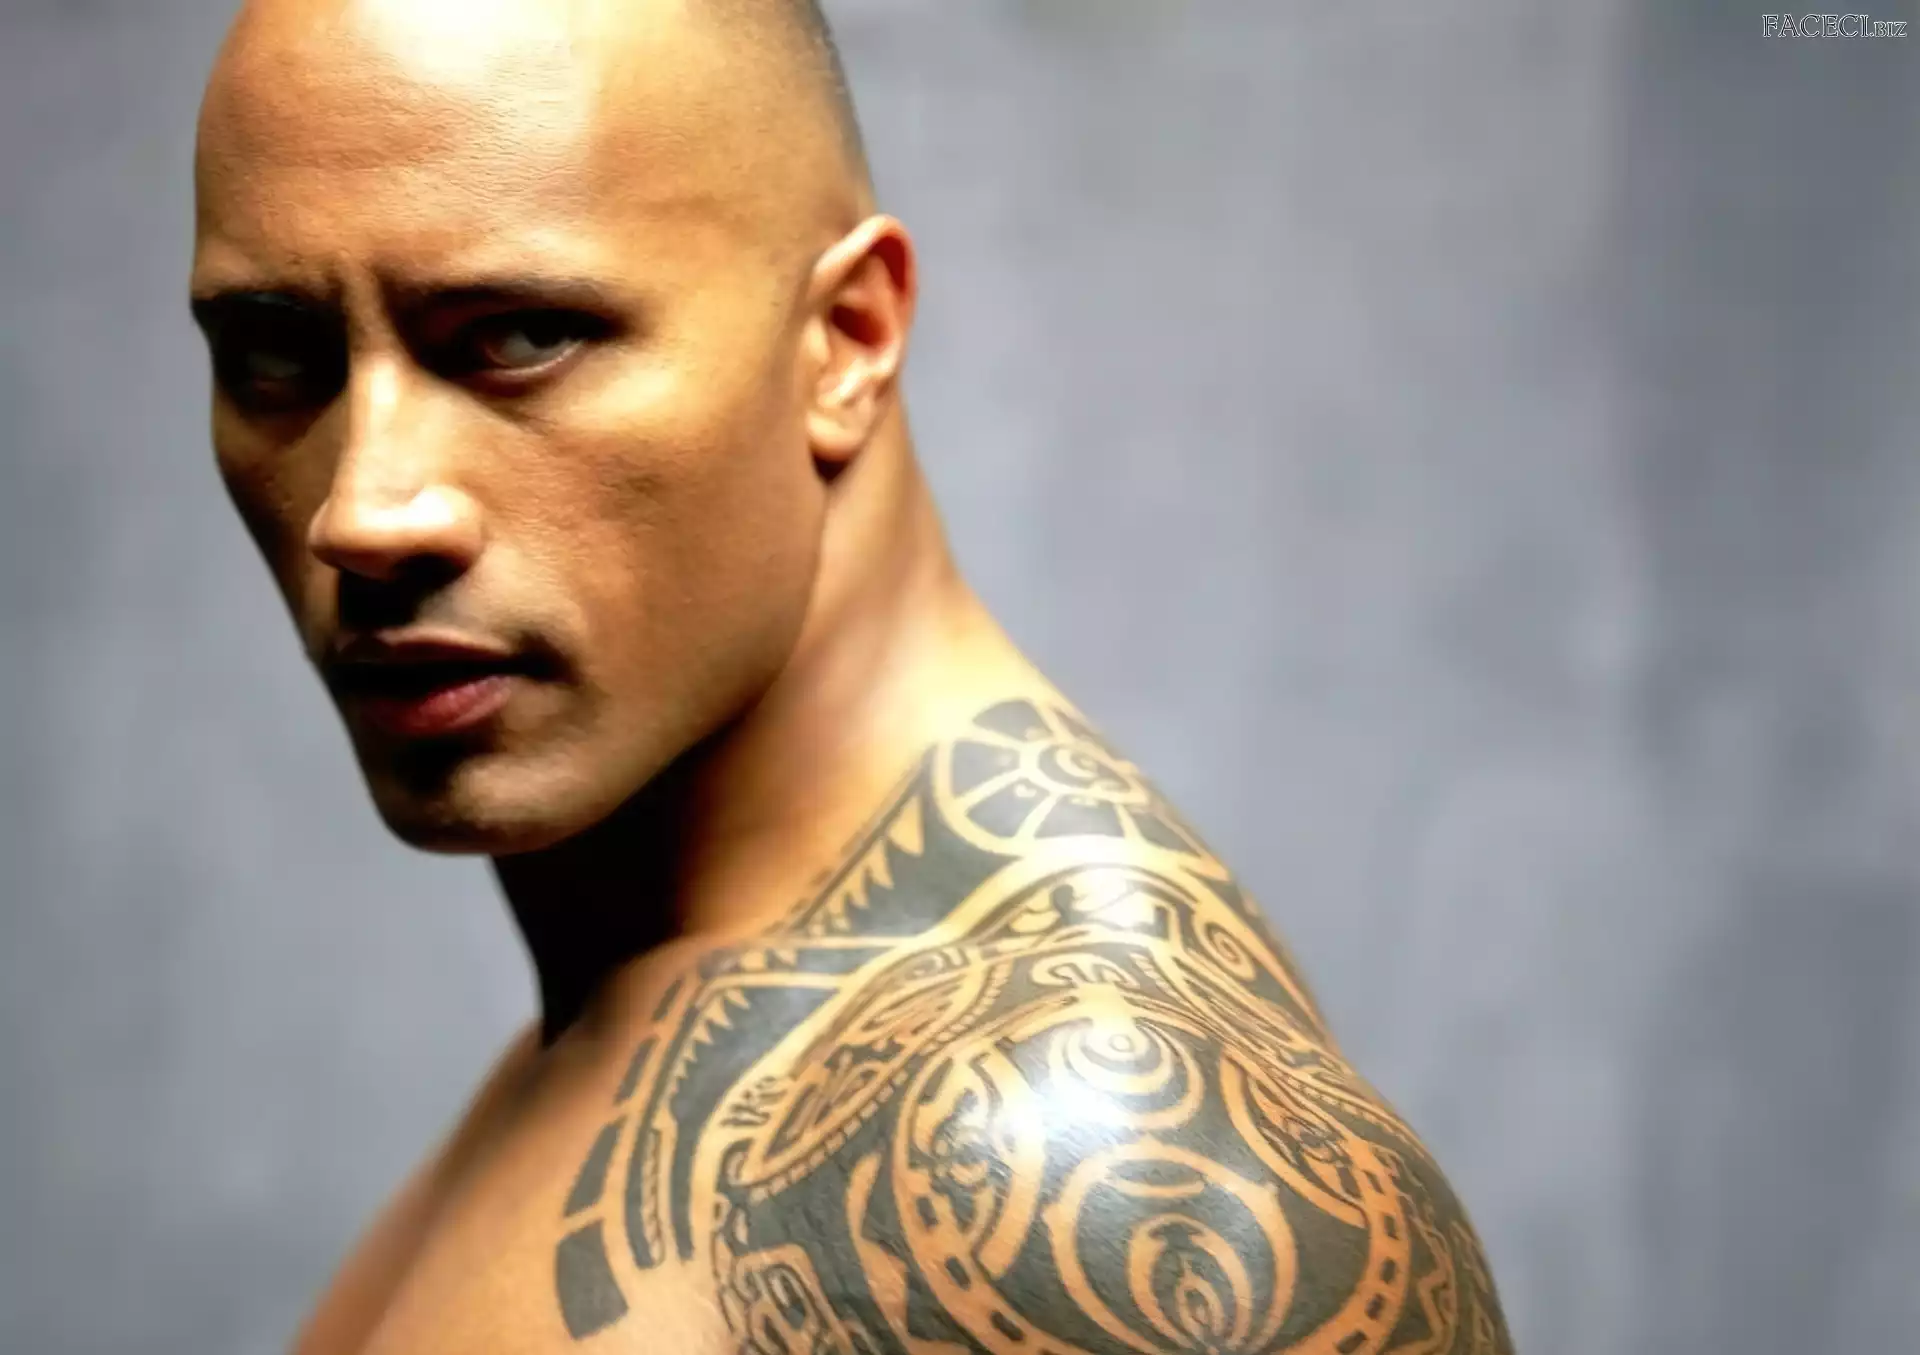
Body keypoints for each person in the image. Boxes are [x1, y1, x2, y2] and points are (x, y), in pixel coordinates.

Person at [187, 0, 1514, 1350]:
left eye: (522, 335)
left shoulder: (1073, 1152)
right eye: (274, 354)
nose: (364, 511)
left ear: (847, 340)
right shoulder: (640, 1007)